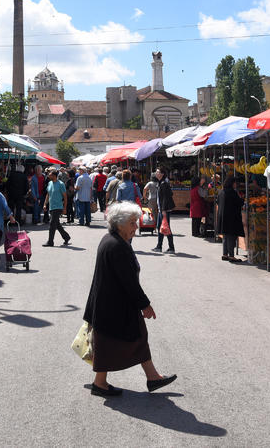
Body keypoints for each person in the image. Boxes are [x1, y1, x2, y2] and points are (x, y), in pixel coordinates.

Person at [83, 202, 177, 397]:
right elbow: (129, 282)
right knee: (112, 342)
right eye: (132, 223)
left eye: (136, 222)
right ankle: (100, 383)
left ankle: (152, 377)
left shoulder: (111, 240)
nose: (136, 227)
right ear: (119, 224)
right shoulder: (117, 246)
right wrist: (145, 304)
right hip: (113, 305)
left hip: (110, 303)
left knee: (133, 337)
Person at [217, 176, 244, 262]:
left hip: (223, 216)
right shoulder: (232, 192)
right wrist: (242, 200)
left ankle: (225, 254)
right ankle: (231, 256)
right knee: (232, 236)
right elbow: (238, 203)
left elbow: (218, 202)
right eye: (235, 183)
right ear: (232, 183)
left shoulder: (221, 192)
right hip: (231, 217)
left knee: (225, 235)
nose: (236, 185)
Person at [42, 171, 71, 247]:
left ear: (54, 176)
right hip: (51, 206)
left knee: (52, 224)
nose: (48, 175)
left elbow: (65, 197)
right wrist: (45, 204)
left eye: (50, 175)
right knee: (56, 224)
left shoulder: (61, 184)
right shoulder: (50, 183)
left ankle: (50, 242)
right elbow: (48, 194)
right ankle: (66, 237)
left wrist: (65, 208)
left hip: (58, 207)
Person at [151, 168, 176, 253]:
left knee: (166, 227)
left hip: (164, 209)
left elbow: (165, 198)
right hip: (161, 209)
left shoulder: (164, 183)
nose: (156, 173)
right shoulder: (160, 183)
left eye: (157, 172)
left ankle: (171, 248)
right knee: (160, 227)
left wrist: (164, 210)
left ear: (161, 174)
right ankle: (159, 246)